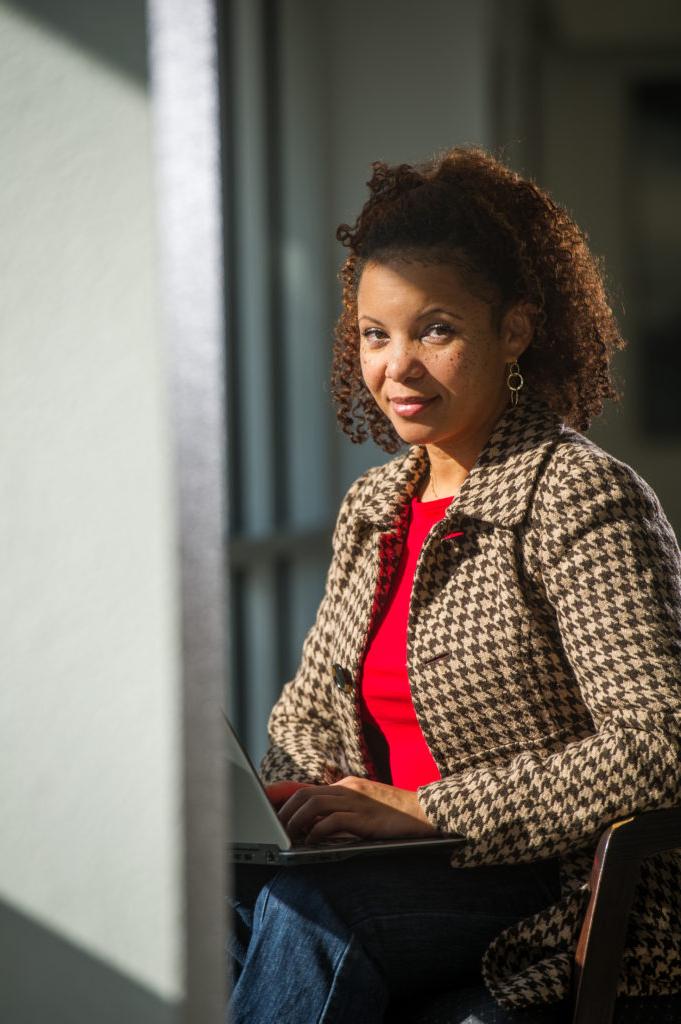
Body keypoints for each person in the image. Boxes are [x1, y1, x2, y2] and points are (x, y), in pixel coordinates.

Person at [228, 147, 681, 1023]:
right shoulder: (377, 504)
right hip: (379, 873)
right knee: (205, 900)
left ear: (513, 329)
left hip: (550, 888)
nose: (396, 365)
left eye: (434, 329)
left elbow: (660, 744)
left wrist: (423, 810)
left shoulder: (576, 494)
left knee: (314, 917)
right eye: (373, 333)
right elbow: (308, 721)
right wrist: (278, 802)